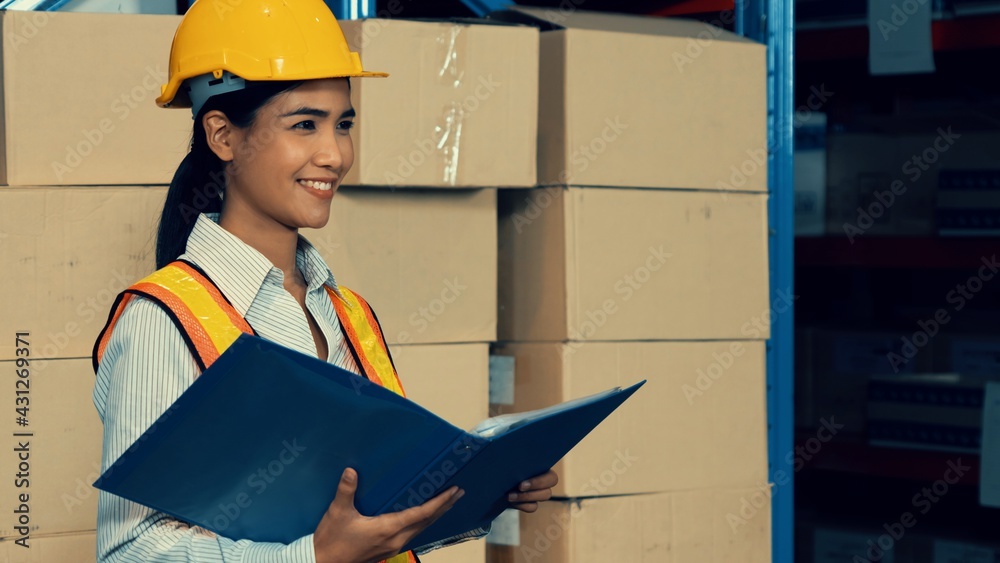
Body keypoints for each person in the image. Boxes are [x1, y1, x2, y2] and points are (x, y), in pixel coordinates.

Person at [91, 1, 557, 562]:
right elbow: (128, 553)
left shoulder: (346, 312)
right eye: (304, 124)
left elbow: (372, 501)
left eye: (344, 124)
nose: (334, 154)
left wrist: (476, 488)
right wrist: (311, 557)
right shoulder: (161, 320)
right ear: (222, 136)